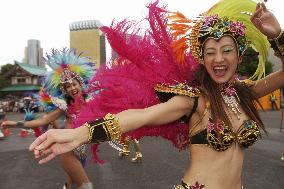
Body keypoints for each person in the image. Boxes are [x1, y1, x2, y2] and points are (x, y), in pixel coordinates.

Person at [29, 0, 284, 188]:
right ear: (202, 59)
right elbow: (139, 116)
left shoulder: (243, 94)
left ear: (239, 56)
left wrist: (278, 36)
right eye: (210, 52)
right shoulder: (193, 99)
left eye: (226, 50)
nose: (218, 58)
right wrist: (78, 133)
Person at [2, 49, 95, 189]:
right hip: (66, 148)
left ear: (81, 84)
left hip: (82, 147)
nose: (72, 88)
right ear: (64, 90)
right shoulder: (65, 106)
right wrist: (15, 123)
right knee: (86, 185)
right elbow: (43, 120)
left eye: (74, 84)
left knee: (73, 178)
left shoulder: (93, 102)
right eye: (67, 86)